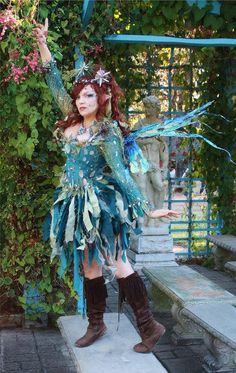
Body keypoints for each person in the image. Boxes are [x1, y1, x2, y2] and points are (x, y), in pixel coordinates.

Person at [34, 19, 179, 354]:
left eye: (89, 96)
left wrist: (147, 208)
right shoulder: (73, 120)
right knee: (88, 264)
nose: (81, 100)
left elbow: (123, 174)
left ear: (101, 99)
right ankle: (96, 324)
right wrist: (43, 43)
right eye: (79, 96)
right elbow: (53, 80)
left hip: (99, 206)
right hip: (74, 205)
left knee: (117, 260)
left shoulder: (106, 132)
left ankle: (149, 326)